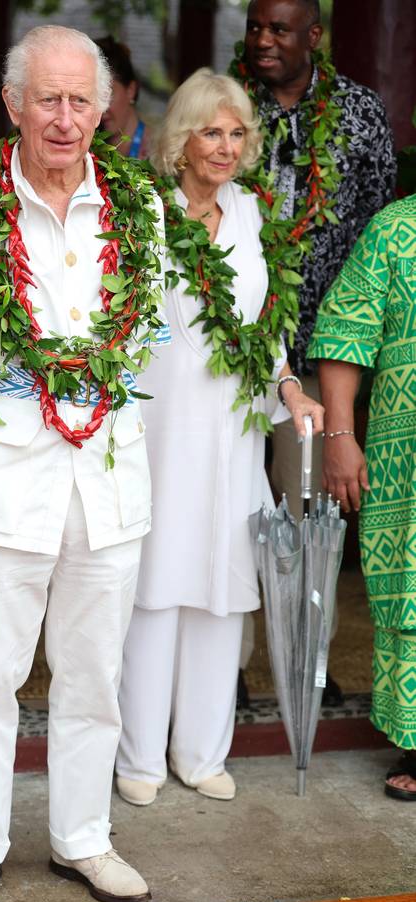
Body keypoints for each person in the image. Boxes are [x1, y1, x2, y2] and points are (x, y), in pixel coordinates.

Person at [0, 25, 167, 902]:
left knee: (95, 672)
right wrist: (26, 411)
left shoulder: (143, 211)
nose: (65, 118)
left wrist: (79, 412)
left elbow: (144, 348)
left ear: (104, 109)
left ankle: (83, 838)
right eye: (47, 99)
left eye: (81, 100)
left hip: (107, 478)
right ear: (13, 105)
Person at [115, 70, 324, 808]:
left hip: (232, 428)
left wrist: (291, 386)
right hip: (160, 421)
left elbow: (260, 332)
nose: (227, 147)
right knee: (154, 585)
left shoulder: (249, 213)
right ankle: (137, 754)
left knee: (221, 588)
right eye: (213, 132)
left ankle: (201, 752)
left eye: (238, 134)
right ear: (181, 137)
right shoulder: (146, 210)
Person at [233, 0, 397, 704]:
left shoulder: (359, 114)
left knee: (306, 517)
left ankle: (308, 667)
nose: (264, 41)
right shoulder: (229, 106)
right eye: (256, 27)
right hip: (230, 348)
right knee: (226, 507)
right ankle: (228, 670)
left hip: (316, 355)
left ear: (314, 35)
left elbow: (378, 234)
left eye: (280, 29)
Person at [307, 195, 416, 800]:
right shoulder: (397, 228)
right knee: (411, 581)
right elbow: (346, 329)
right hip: (409, 452)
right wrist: (340, 436)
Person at [95, 36, 150, 158]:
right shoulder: (87, 152)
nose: (101, 107)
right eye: (91, 96)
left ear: (131, 90)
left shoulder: (161, 152)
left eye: (106, 94)